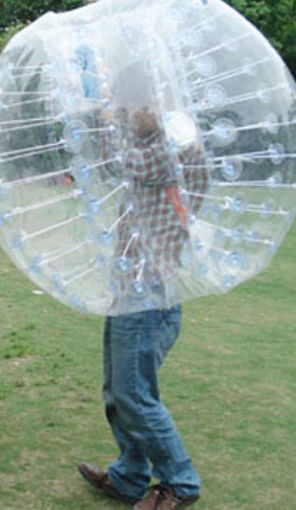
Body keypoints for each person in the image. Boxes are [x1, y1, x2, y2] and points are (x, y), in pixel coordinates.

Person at [78, 105, 208, 509]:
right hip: (131, 289)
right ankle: (129, 476)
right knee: (119, 392)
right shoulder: (152, 141)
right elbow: (110, 164)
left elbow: (123, 163)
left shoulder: (176, 145)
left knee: (134, 394)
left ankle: (179, 483)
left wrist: (103, 117)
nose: (129, 111)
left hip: (148, 294)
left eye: (136, 103)